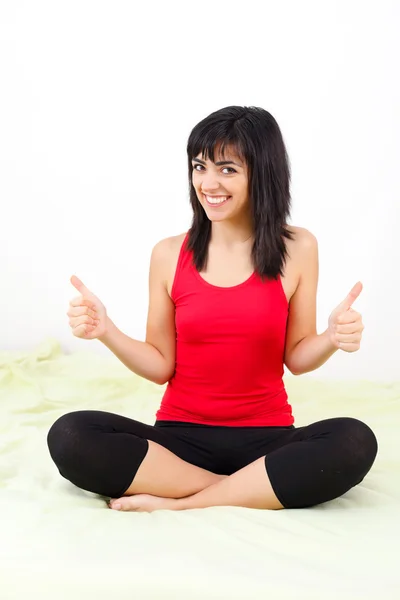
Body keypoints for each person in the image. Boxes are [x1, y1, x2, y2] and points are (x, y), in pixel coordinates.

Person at [47, 105, 378, 513]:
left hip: (267, 438)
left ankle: (183, 503)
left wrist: (331, 338)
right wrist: (107, 330)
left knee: (355, 440)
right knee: (71, 434)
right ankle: (241, 490)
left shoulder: (298, 247)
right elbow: (160, 366)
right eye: (199, 167)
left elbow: (296, 357)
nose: (208, 183)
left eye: (227, 169)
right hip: (179, 443)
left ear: (262, 173)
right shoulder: (169, 254)